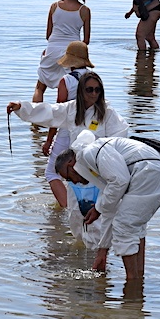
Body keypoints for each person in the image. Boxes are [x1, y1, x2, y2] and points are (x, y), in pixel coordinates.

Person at [8, 72, 129, 264]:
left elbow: (121, 135)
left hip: (98, 175)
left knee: (96, 218)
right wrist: (22, 107)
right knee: (74, 215)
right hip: (76, 173)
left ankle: (97, 256)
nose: (94, 94)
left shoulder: (107, 112)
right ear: (81, 91)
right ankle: (79, 257)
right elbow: (48, 112)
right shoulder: (71, 109)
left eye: (97, 90)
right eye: (89, 90)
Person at [54, 131, 160, 280]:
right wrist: (102, 250)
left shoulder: (89, 152)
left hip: (149, 172)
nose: (74, 182)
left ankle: (132, 281)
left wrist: (98, 209)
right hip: (158, 172)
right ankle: (138, 278)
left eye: (68, 178)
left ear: (71, 165)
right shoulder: (94, 162)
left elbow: (120, 181)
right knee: (135, 227)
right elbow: (111, 209)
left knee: (124, 225)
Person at [40, 41, 95, 207]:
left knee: (51, 173)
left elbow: (58, 114)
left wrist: (49, 140)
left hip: (66, 132)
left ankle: (69, 208)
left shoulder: (66, 81)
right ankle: (87, 205)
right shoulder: (94, 79)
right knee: (82, 172)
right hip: (90, 131)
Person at [32, 0, 91, 102]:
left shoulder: (54, 6)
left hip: (52, 48)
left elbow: (48, 35)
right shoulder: (84, 10)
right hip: (72, 53)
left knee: (40, 88)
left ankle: (35, 113)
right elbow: (86, 41)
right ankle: (66, 112)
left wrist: (51, 48)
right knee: (69, 86)